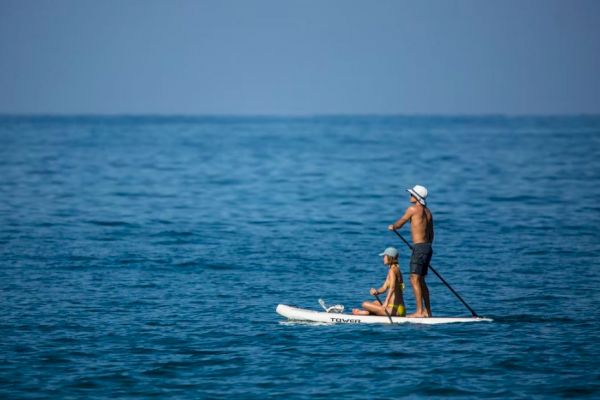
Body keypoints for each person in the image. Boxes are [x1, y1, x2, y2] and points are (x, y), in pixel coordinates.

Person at [388, 185, 434, 318]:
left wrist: (393, 226)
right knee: (421, 280)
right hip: (427, 248)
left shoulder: (413, 209)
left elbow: (400, 223)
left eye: (412, 194)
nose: (410, 197)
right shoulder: (428, 212)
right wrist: (424, 247)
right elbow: (431, 234)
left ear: (417, 197)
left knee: (414, 279)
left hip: (420, 248)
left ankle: (419, 312)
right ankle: (427, 312)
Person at [352, 247, 406, 317]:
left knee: (364, 304)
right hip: (400, 309)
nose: (383, 258)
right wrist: (376, 292)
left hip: (393, 310)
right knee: (375, 303)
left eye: (384, 256)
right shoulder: (396, 269)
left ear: (390, 257)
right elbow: (384, 288)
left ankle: (363, 313)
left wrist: (386, 302)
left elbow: (392, 287)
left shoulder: (392, 271)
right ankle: (365, 313)